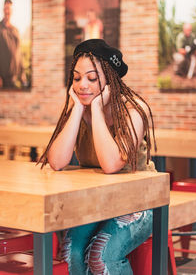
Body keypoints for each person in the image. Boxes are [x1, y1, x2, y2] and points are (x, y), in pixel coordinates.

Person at [38, 39, 156, 275]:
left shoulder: (134, 111)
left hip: (138, 203)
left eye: (92, 78)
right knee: (70, 250)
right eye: (77, 77)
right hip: (97, 202)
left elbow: (112, 164)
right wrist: (79, 110)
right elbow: (57, 161)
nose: (83, 85)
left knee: (101, 254)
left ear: (111, 79)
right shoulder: (79, 109)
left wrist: (97, 110)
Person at [0, 0, 24, 88]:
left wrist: (22, 73)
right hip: (3, 79)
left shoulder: (15, 30)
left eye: (9, 9)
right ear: (3, 10)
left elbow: (19, 52)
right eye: (6, 8)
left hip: (15, 78)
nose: (7, 11)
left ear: (12, 11)